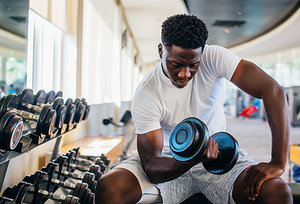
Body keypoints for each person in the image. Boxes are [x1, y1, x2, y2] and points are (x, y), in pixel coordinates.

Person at [96, 14, 292, 204]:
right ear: (160, 51)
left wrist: (278, 162)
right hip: (167, 161)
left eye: (193, 65)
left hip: (219, 157)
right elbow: (151, 166)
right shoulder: (147, 92)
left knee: (277, 191)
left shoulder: (215, 57)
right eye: (176, 64)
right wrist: (193, 157)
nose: (184, 73)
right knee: (110, 187)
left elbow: (273, 91)